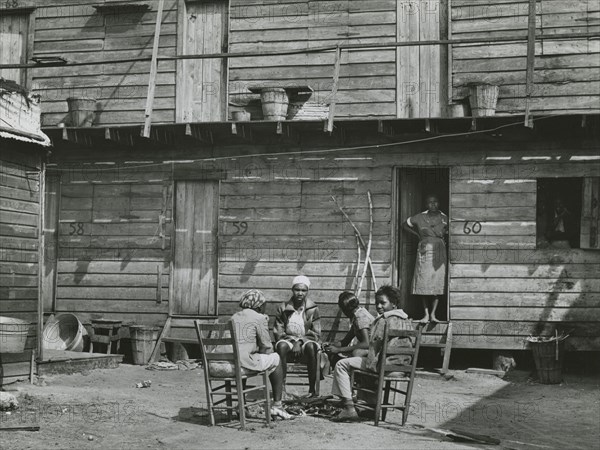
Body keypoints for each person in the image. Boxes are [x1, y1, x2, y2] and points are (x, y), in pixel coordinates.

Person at [330, 285, 414, 422]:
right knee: (362, 360)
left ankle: (349, 407)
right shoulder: (407, 320)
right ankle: (369, 406)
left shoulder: (383, 320)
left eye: (383, 303)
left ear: (393, 303)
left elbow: (373, 349)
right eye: (377, 303)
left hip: (385, 367)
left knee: (342, 364)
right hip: (402, 367)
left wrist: (365, 363)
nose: (379, 306)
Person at [230, 289, 291, 419]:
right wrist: (262, 353)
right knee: (276, 358)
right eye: (264, 304)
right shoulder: (259, 317)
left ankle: (242, 405)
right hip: (238, 366)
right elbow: (267, 347)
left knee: (242, 357)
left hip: (220, 365)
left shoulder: (233, 317)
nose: (265, 307)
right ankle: (277, 405)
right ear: (259, 306)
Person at [403, 194, 448, 323]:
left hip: (439, 251)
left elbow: (450, 230)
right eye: (429, 202)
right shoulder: (419, 217)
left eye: (435, 202)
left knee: (437, 283)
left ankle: (433, 315)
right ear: (426, 205)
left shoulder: (445, 217)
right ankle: (425, 314)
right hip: (424, 250)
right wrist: (417, 235)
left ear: (439, 203)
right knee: (423, 282)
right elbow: (404, 225)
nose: (433, 204)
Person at [274, 275, 321, 397]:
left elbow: (316, 333)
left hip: (307, 340)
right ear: (292, 290)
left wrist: (300, 341)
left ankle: (312, 390)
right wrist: (293, 341)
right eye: (297, 290)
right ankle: (282, 388)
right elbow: (278, 332)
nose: (300, 293)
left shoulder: (312, 308)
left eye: (303, 290)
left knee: (311, 347)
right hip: (287, 339)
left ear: (307, 291)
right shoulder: (283, 308)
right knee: (282, 347)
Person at [324, 291, 375, 367]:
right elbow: (346, 341)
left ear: (345, 310)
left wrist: (339, 350)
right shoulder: (356, 315)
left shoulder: (361, 317)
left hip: (374, 349)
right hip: (370, 348)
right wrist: (330, 345)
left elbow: (366, 344)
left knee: (356, 353)